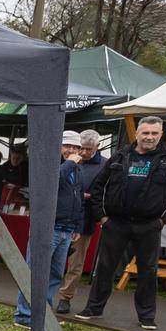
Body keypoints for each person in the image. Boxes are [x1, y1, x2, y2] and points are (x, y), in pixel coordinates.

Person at [75, 115, 166, 329]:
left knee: (148, 271)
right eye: (145, 132)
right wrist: (101, 216)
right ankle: (94, 308)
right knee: (105, 267)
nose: (150, 137)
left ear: (161, 135)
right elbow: (98, 186)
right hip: (116, 222)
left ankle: (147, 317)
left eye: (154, 133)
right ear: (136, 133)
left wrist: (165, 219)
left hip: (149, 225)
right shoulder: (120, 156)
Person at [13, 133, 84, 327]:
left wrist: (77, 225)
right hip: (47, 228)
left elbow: (78, 198)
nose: (72, 151)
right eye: (67, 145)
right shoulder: (48, 163)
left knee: (54, 275)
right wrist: (70, 163)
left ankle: (43, 314)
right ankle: (25, 315)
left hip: (66, 229)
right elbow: (51, 183)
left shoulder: (75, 169)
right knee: (35, 272)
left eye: (76, 148)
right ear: (58, 146)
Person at [55, 130, 107, 313]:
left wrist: (90, 199)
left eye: (87, 149)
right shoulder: (65, 162)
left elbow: (106, 192)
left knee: (75, 264)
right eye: (80, 148)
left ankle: (65, 297)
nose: (82, 153)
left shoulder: (104, 166)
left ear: (97, 147)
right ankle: (44, 296)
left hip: (84, 221)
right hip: (62, 218)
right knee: (55, 263)